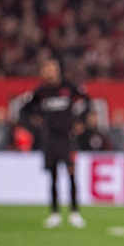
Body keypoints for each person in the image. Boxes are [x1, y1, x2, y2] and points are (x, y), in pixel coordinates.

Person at [19, 59, 89, 228]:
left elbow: (87, 102)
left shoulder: (69, 88)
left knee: (71, 174)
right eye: (47, 69)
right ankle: (55, 213)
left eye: (52, 69)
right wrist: (34, 124)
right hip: (50, 139)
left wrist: (81, 121)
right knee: (53, 176)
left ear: (58, 70)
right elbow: (24, 110)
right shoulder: (41, 92)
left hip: (67, 138)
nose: (50, 72)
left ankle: (74, 212)